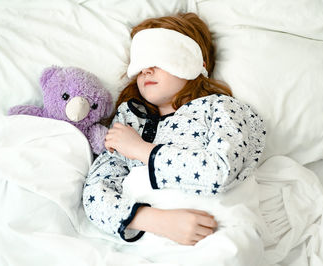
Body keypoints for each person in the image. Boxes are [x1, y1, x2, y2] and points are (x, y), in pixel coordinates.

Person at [83, 12, 266, 246]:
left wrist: (141, 150)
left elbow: (221, 169)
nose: (146, 69)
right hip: (149, 238)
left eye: (158, 58)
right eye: (140, 63)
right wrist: (155, 220)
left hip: (218, 234)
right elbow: (95, 193)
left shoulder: (221, 108)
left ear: (198, 63)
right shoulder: (129, 123)